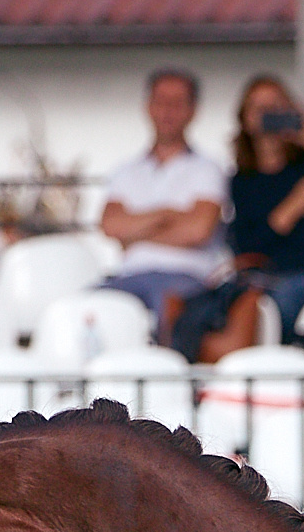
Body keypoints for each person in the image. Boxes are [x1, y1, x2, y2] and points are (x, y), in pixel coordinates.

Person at [98, 68, 229, 338]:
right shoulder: (125, 171)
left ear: (193, 111)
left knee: (170, 316)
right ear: (148, 107)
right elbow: (111, 226)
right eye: (161, 102)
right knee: (86, 309)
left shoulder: (208, 169)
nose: (168, 111)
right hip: (129, 277)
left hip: (186, 279)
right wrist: (168, 214)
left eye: (177, 103)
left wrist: (135, 232)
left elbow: (198, 231)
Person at [226, 74, 304, 343]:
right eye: (259, 109)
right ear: (245, 118)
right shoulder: (242, 180)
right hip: (263, 276)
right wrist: (288, 212)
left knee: (284, 302)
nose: (268, 116)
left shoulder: (303, 168)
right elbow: (247, 243)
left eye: (275, 107)